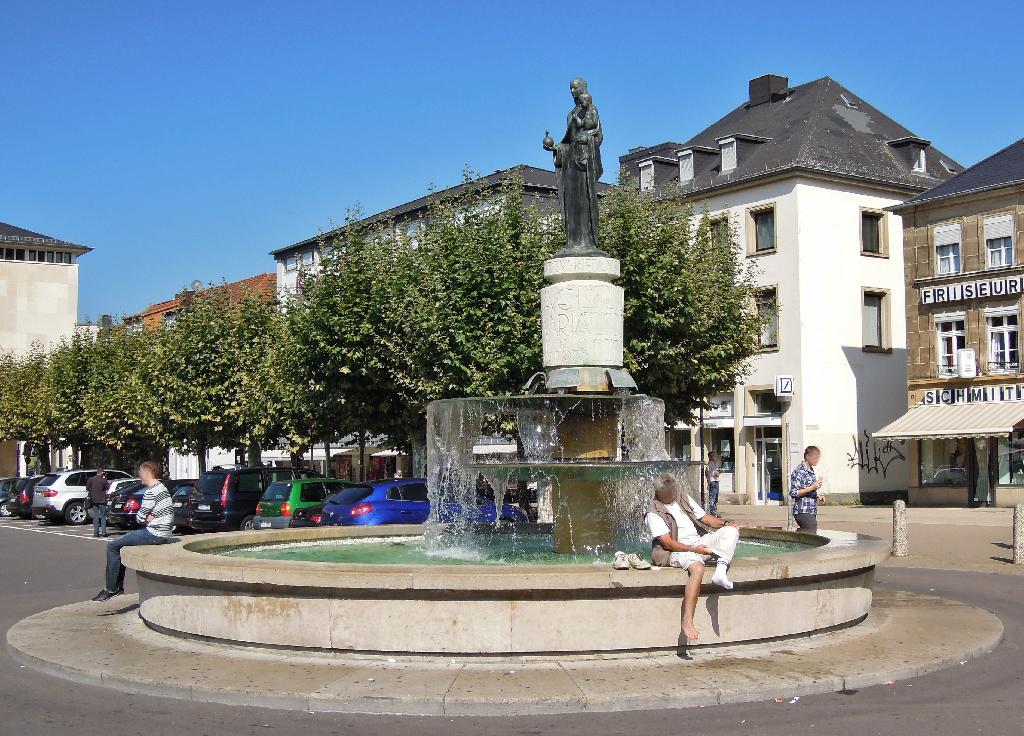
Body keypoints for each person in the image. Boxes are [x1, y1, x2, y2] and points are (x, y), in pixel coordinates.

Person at [645, 472, 741, 642]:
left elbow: (705, 518)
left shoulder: (682, 496)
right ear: (659, 493)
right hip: (675, 552)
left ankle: (720, 571)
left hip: (699, 542)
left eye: (674, 491)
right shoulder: (654, 512)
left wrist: (726, 523)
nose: (674, 495)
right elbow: (667, 543)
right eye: (670, 494)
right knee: (697, 568)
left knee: (731, 531)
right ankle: (687, 621)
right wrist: (695, 550)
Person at [92, 461, 173, 602]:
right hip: (164, 532)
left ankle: (112, 588)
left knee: (112, 546)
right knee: (122, 545)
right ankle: (116, 587)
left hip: (154, 534)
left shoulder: (151, 492)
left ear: (147, 473)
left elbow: (140, 519)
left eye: (141, 473)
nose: (139, 476)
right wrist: (148, 517)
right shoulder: (162, 488)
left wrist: (146, 518)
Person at [789, 446, 824, 533]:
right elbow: (793, 492)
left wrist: (817, 495)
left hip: (811, 509)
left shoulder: (810, 470)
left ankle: (796, 542)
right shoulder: (799, 471)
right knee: (811, 531)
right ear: (807, 456)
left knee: (809, 533)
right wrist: (812, 487)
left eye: (818, 457)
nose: (817, 460)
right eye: (815, 457)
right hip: (802, 511)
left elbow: (807, 489)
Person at [85, 469, 109, 537]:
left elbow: (87, 488)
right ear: (102, 473)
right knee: (103, 516)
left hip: (94, 500)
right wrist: (105, 479)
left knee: (95, 516)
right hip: (102, 500)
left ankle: (96, 533)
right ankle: (103, 533)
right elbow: (107, 487)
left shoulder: (91, 479)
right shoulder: (103, 480)